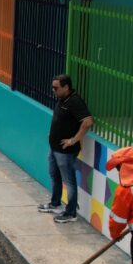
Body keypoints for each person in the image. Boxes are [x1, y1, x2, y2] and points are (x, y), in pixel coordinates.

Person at [39, 74, 93, 223]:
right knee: (54, 175)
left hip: (65, 152)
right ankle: (55, 203)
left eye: (56, 88)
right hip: (54, 148)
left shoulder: (75, 101)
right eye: (53, 87)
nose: (53, 90)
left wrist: (74, 140)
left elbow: (87, 122)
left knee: (69, 181)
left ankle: (70, 213)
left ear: (66, 87)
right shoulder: (62, 99)